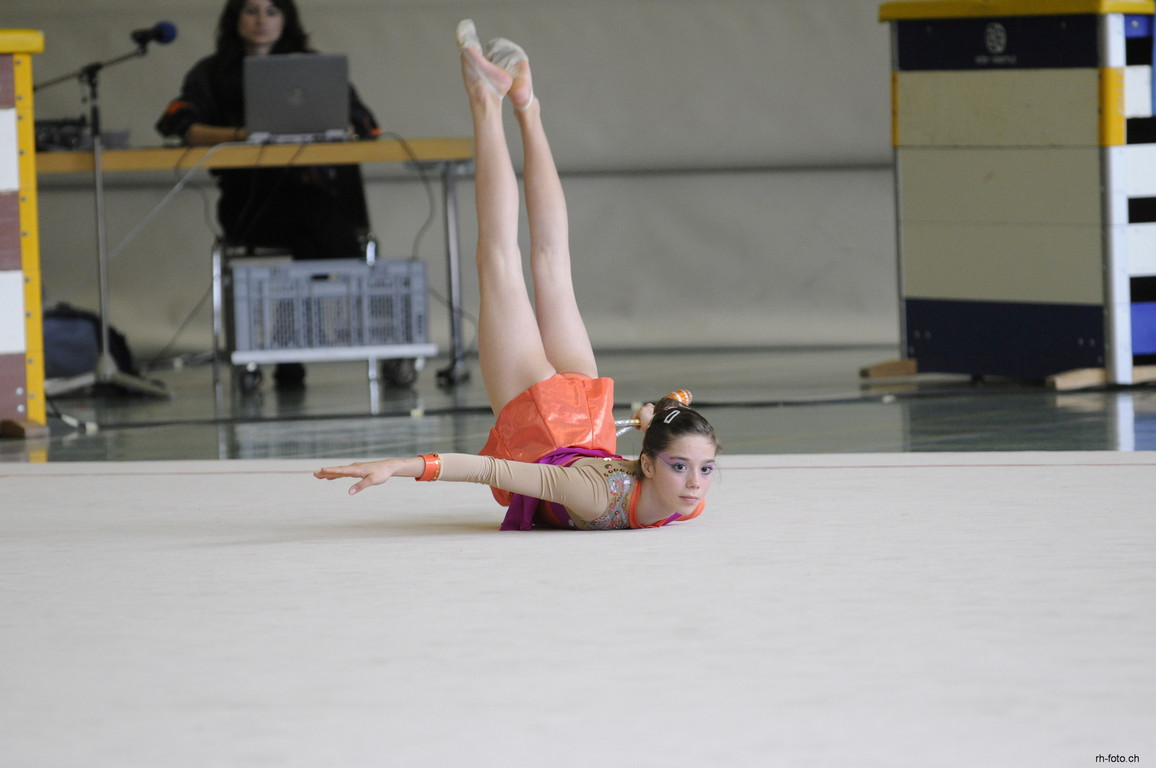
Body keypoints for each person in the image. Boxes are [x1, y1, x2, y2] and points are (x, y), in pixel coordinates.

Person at [315, 20, 720, 530]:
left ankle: (528, 105)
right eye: (682, 467)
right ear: (648, 463)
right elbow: (490, 469)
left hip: (589, 415)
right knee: (501, 259)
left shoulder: (688, 501)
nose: (695, 484)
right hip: (544, 418)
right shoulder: (601, 496)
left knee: (553, 260)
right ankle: (486, 101)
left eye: (704, 469)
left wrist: (653, 421)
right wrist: (399, 465)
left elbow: (649, 437)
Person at [156, 0, 379, 387]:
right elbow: (179, 122)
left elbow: (366, 124)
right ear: (235, 19)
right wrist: (242, 135)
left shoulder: (315, 70)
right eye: (252, 11)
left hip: (311, 195)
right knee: (322, 225)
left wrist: (340, 127)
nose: (261, 20)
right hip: (248, 204)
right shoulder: (211, 72)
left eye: (272, 11)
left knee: (310, 234)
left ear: (285, 20)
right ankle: (343, 312)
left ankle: (288, 351)